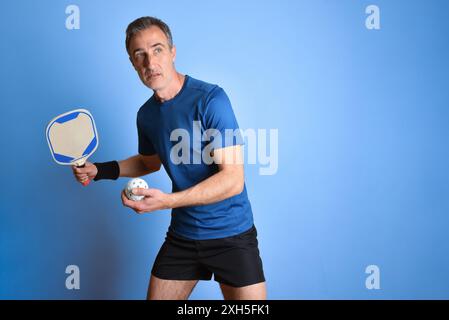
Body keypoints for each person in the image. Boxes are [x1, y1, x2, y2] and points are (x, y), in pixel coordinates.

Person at [72, 16, 266, 300]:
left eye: (157, 49)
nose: (150, 62)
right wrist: (99, 170)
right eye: (140, 55)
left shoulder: (211, 100)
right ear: (133, 63)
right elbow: (149, 162)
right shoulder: (147, 115)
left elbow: (233, 180)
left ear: (173, 52)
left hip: (232, 235)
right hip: (184, 236)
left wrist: (167, 202)